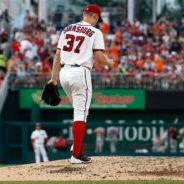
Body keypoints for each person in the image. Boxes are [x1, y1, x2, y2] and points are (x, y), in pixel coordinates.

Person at [48, 4, 113, 164]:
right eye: (97, 18)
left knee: (78, 110)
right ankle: (76, 154)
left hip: (64, 73)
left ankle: (75, 148)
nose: (98, 21)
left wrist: (53, 79)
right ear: (95, 16)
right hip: (80, 73)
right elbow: (99, 57)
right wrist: (109, 63)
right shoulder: (95, 32)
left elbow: (57, 56)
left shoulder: (67, 29)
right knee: (80, 113)